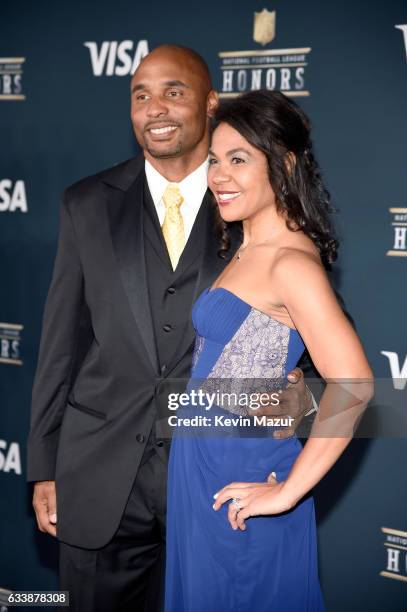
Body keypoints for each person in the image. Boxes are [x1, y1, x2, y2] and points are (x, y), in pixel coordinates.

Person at [28, 47, 315, 611]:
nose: (154, 108)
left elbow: (319, 349)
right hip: (98, 477)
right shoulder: (85, 203)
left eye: (173, 92)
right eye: (140, 95)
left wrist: (298, 399)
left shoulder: (254, 205)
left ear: (210, 102)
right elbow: (60, 344)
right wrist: (43, 468)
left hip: (212, 485)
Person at [164, 90, 373, 611]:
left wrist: (286, 492)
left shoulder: (289, 263)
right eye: (215, 160)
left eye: (239, 160)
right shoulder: (247, 248)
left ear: (283, 165)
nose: (219, 176)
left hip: (243, 480)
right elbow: (248, 364)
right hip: (204, 470)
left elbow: (355, 385)